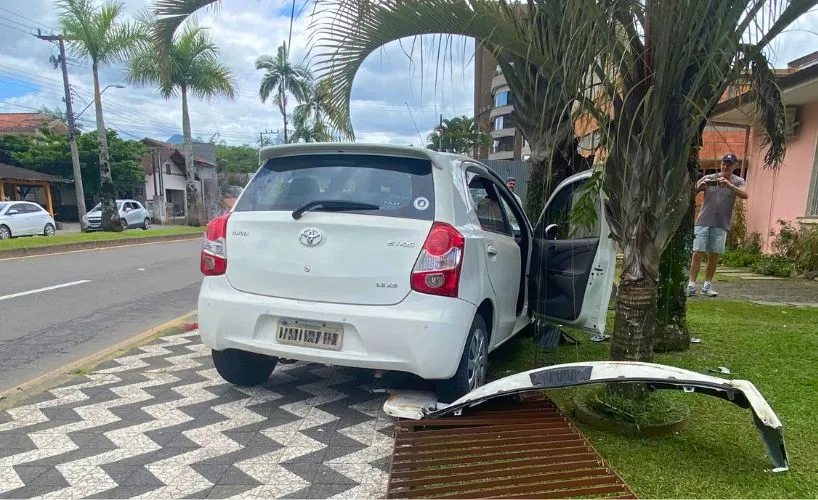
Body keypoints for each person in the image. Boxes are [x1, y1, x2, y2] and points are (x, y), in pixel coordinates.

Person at [688, 153, 748, 297]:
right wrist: (698, 187)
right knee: (697, 253)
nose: (726, 166)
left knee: (714, 255)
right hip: (703, 221)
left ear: (735, 166)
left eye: (729, 164)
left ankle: (707, 286)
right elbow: (691, 190)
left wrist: (729, 185)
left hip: (721, 223)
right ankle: (691, 285)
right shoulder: (710, 178)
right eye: (724, 163)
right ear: (720, 164)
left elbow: (745, 195)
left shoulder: (738, 181)